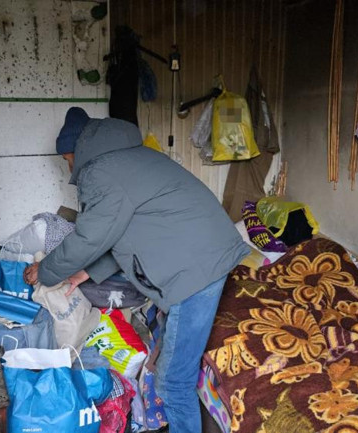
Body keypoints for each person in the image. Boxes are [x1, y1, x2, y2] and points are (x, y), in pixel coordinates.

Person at [23, 107, 249, 433]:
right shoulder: (129, 159)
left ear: (77, 148)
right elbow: (125, 233)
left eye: (67, 158)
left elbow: (88, 238)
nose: (68, 166)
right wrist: (86, 273)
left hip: (195, 269)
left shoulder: (100, 172)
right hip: (205, 254)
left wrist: (46, 271)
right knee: (171, 371)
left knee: (174, 382)